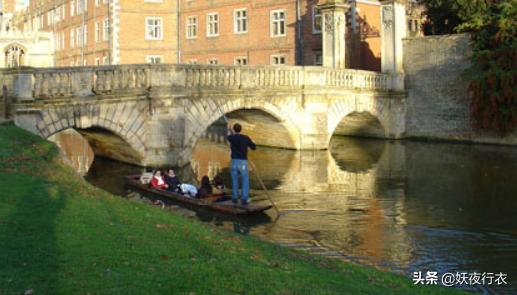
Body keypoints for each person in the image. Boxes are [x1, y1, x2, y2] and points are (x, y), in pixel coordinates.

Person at [226, 122, 256, 205]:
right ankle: (244, 198)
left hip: (234, 161)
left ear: (234, 130)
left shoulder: (232, 138)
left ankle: (235, 198)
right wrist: (251, 143)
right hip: (243, 162)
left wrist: (229, 128)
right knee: (245, 180)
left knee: (234, 180)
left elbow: (229, 136)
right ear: (241, 129)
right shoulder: (246, 138)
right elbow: (254, 147)